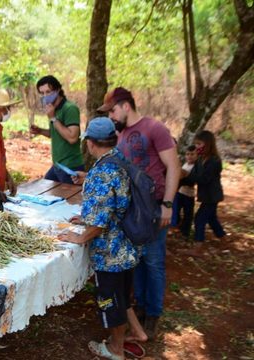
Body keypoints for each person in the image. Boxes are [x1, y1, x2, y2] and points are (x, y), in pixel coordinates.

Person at [98, 87, 180, 339]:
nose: (111, 115)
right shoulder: (120, 135)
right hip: (132, 210)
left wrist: (167, 204)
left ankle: (153, 315)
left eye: (112, 110)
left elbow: (174, 166)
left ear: (125, 106)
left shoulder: (154, 128)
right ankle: (142, 309)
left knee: (154, 262)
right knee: (138, 261)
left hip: (154, 206)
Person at [62, 117, 146, 360]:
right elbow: (111, 205)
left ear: (90, 143)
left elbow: (99, 223)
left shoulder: (102, 171)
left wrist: (79, 238)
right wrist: (86, 219)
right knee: (122, 294)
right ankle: (137, 333)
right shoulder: (120, 159)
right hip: (128, 244)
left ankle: (115, 348)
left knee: (111, 301)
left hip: (110, 252)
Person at [29, 75, 84, 184]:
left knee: (70, 199)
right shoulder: (52, 109)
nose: (45, 96)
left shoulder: (70, 109)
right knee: (46, 189)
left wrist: (53, 118)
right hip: (57, 165)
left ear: (58, 90)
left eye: (48, 92)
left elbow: (72, 137)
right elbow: (56, 133)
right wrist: (40, 131)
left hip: (71, 166)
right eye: (42, 93)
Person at [185, 130, 226, 252]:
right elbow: (193, 176)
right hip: (206, 196)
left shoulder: (214, 161)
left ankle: (198, 247)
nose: (196, 147)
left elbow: (204, 179)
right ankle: (223, 238)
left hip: (212, 196)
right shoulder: (200, 159)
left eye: (199, 144)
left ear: (208, 144)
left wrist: (185, 175)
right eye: (196, 144)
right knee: (211, 218)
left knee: (199, 218)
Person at [171, 145, 197, 238]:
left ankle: (185, 232)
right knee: (176, 210)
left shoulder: (196, 167)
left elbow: (190, 179)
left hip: (189, 194)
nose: (189, 156)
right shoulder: (185, 164)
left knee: (188, 214)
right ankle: (176, 225)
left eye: (192, 154)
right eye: (188, 154)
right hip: (180, 192)